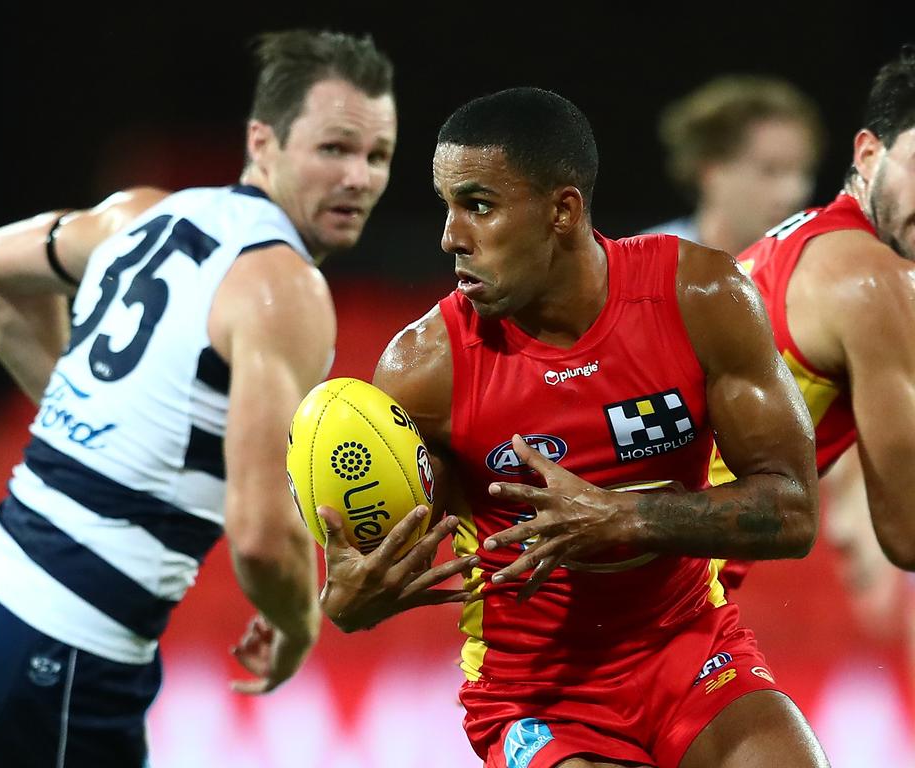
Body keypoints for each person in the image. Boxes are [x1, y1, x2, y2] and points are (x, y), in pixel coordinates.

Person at [317, 87, 828, 767]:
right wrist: (353, 598)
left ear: (563, 210)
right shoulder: (424, 370)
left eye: (478, 206)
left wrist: (628, 517)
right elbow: (387, 568)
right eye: (447, 207)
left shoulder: (700, 298)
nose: (450, 237)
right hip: (536, 694)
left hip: (691, 650)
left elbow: (792, 512)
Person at [0, 28, 397, 767]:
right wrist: (298, 624)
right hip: (64, 635)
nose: (359, 178)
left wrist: (86, 412)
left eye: (377, 156)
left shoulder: (141, 214)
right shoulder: (284, 287)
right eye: (335, 148)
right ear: (263, 142)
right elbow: (259, 537)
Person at [708, 45, 915, 587]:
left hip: (618, 579)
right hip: (641, 601)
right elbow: (909, 534)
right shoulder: (875, 279)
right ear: (869, 155)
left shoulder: (799, 238)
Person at [641, 75, 823, 257]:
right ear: (710, 172)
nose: (793, 193)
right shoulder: (643, 265)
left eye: (804, 171)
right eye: (770, 170)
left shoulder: (821, 272)